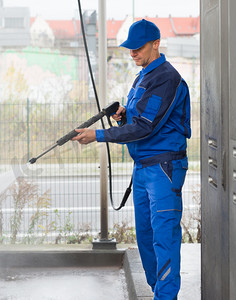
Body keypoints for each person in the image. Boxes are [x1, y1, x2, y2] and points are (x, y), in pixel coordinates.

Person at [72, 19, 191, 300]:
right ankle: (156, 291)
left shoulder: (167, 78)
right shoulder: (144, 76)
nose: (132, 53)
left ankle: (166, 296)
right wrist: (123, 115)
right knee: (146, 238)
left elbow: (147, 127)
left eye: (138, 48)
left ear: (156, 44)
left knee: (164, 239)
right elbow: (141, 119)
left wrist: (98, 135)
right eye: (130, 49)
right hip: (143, 169)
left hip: (164, 168)